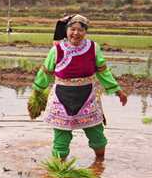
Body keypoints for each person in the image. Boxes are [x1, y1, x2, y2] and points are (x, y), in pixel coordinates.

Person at [31, 14, 128, 161]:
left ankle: (99, 163)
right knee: (61, 139)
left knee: (97, 136)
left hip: (87, 97)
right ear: (67, 30)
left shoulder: (93, 48)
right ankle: (58, 168)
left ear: (85, 32)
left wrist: (118, 91)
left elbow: (103, 72)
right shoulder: (57, 50)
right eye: (72, 29)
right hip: (62, 98)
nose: (76, 33)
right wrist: (37, 92)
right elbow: (46, 72)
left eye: (80, 30)